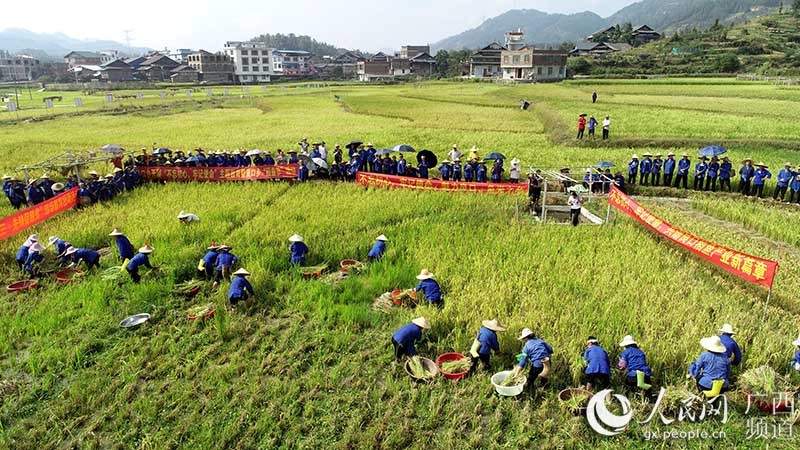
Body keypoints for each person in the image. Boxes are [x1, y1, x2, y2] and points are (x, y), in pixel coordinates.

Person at [509, 328, 553, 395]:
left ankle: (529, 390)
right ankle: (543, 386)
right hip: (547, 362)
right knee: (544, 375)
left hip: (537, 365)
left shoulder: (526, 347)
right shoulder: (540, 341)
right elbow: (550, 350)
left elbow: (522, 363)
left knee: (531, 376)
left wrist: (516, 374)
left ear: (526, 338)